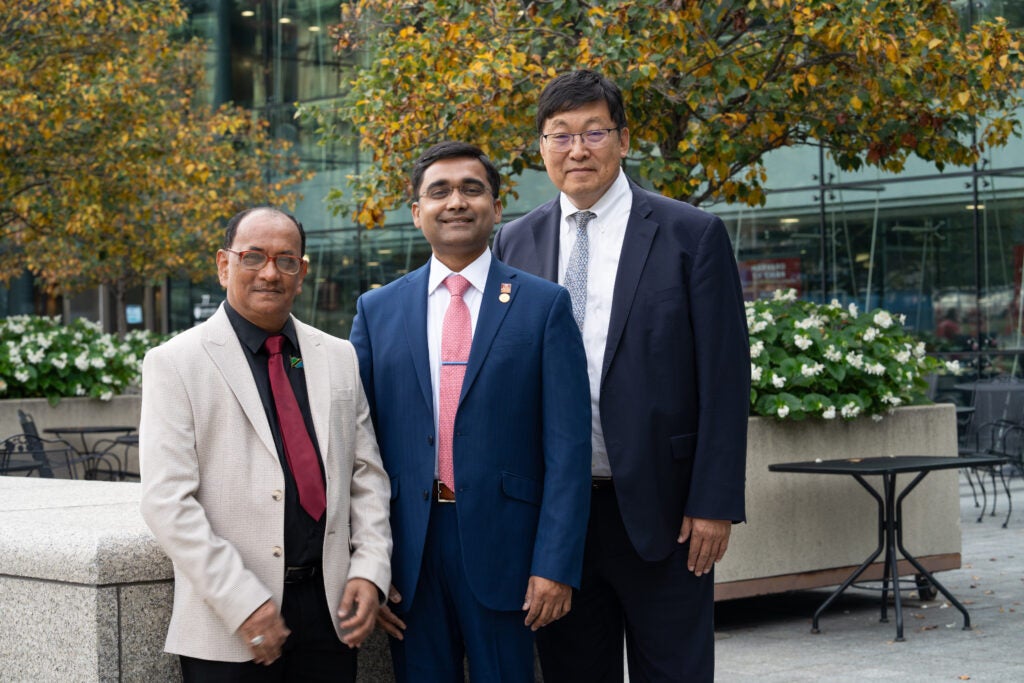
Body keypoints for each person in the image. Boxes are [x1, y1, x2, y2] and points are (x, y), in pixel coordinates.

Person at [492, 70, 751, 682]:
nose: (577, 150)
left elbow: (724, 378)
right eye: (560, 136)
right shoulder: (513, 243)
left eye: (593, 132)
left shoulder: (691, 234)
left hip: (666, 514)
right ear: (542, 148)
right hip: (558, 521)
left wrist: (714, 503)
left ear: (624, 140)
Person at [349, 141, 591, 681]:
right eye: (439, 191)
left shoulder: (544, 305)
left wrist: (555, 565)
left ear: (497, 208)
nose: (455, 201)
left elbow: (568, 449)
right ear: (417, 213)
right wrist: (365, 563)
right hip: (407, 552)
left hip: (508, 552)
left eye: (471, 189)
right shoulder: (377, 310)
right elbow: (355, 446)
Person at [139, 207, 392, 681]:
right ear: (223, 264)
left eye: (286, 260)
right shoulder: (175, 363)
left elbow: (366, 476)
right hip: (230, 622)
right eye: (253, 257)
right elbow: (166, 502)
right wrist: (243, 601)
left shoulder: (339, 357)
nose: (270, 273)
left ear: (302, 272)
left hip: (332, 611)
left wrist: (370, 569)